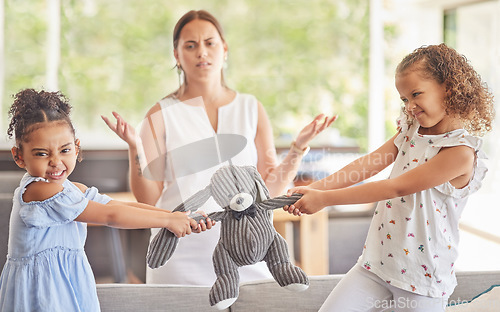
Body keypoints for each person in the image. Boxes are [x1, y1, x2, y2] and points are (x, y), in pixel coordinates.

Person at [101, 9, 336, 286]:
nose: (202, 52)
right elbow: (149, 201)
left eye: (209, 43)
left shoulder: (251, 108)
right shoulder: (159, 114)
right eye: (190, 45)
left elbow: (269, 190)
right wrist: (134, 148)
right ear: (177, 55)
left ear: (224, 49)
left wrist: (298, 148)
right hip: (181, 255)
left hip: (248, 251)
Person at [284, 43, 494, 311]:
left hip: (422, 280)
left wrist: (325, 199)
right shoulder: (410, 132)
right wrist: (313, 189)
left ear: (448, 88)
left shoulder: (460, 152)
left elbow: (395, 188)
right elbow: (368, 164)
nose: (410, 107)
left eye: (416, 94)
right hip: (376, 265)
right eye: (405, 99)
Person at [0, 89, 211, 312]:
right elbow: (111, 216)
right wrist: (168, 222)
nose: (56, 161)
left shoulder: (72, 189)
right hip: (41, 290)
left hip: (67, 285)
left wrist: (174, 216)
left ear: (76, 148)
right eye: (42, 154)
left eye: (65, 150)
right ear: (19, 156)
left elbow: (115, 205)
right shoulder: (39, 191)